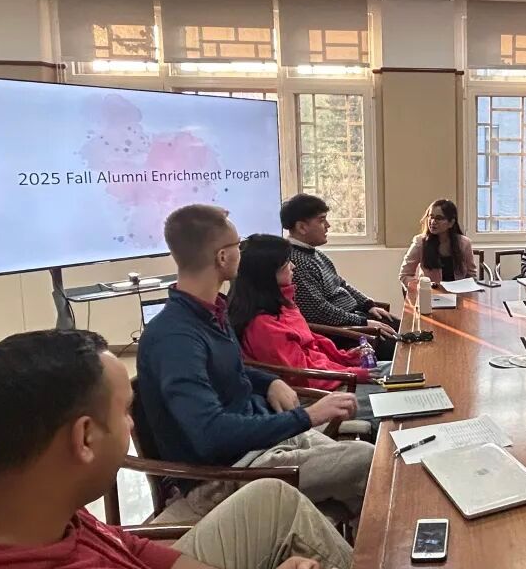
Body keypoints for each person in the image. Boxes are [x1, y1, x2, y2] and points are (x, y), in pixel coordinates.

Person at [0, 329, 350, 569]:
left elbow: (131, 550)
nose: (132, 425)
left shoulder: (36, 507)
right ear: (85, 438)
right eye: (124, 411)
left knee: (272, 497)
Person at [137, 204, 375, 522]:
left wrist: (269, 381)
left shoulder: (210, 311)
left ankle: (368, 543)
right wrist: (307, 415)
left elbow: (226, 371)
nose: (242, 251)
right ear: (223, 257)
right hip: (224, 475)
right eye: (238, 245)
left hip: (260, 444)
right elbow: (210, 434)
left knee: (372, 467)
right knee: (366, 460)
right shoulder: (175, 337)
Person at [228, 233, 387, 424]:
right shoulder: (262, 325)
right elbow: (299, 375)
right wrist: (350, 373)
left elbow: (312, 343)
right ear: (268, 274)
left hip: (332, 376)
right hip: (314, 394)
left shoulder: (282, 304)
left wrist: (345, 357)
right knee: (395, 395)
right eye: (286, 263)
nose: (293, 266)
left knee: (402, 374)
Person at [281, 194, 399, 361]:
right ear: (301, 227)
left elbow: (341, 284)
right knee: (399, 345)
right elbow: (318, 311)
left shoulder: (316, 254)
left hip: (353, 318)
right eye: (322, 220)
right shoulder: (296, 262)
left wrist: (368, 305)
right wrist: (363, 322)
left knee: (403, 327)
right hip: (340, 332)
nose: (328, 225)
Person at [398, 199, 477, 289]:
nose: (433, 222)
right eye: (431, 217)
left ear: (451, 223)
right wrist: (423, 287)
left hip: (459, 294)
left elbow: (471, 275)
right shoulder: (420, 242)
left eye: (439, 218)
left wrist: (467, 290)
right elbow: (404, 275)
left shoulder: (464, 243)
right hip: (431, 294)